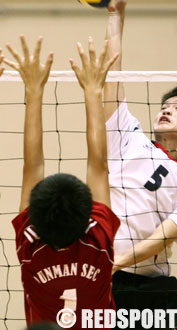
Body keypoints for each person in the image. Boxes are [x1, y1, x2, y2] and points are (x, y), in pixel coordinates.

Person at [104, 1, 177, 329]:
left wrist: (117, 262)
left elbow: (163, 239)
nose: (166, 109)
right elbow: (112, 75)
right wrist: (116, 15)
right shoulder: (128, 137)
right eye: (165, 105)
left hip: (151, 291)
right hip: (105, 283)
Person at [4, 35, 119, 329]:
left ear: (35, 216)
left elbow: (33, 164)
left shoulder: (30, 246)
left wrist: (33, 89)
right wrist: (94, 90)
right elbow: (99, 163)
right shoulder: (99, 240)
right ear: (88, 217)